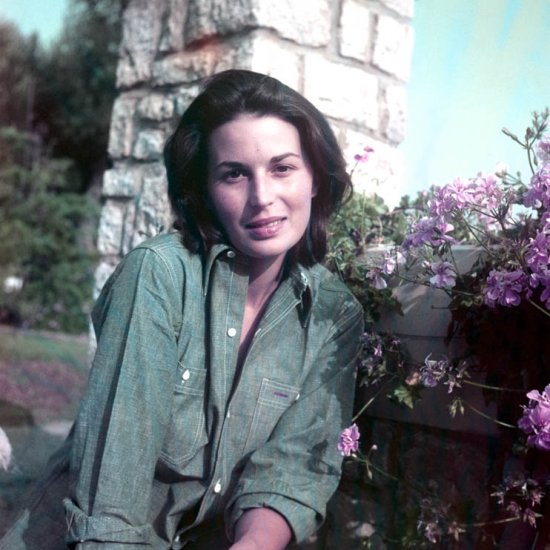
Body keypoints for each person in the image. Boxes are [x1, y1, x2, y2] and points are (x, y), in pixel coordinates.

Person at [0, 69, 363, 549]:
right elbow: (110, 495)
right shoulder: (158, 276)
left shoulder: (334, 314)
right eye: (234, 174)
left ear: (315, 178)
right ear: (205, 191)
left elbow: (293, 468)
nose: (262, 198)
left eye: (282, 168)